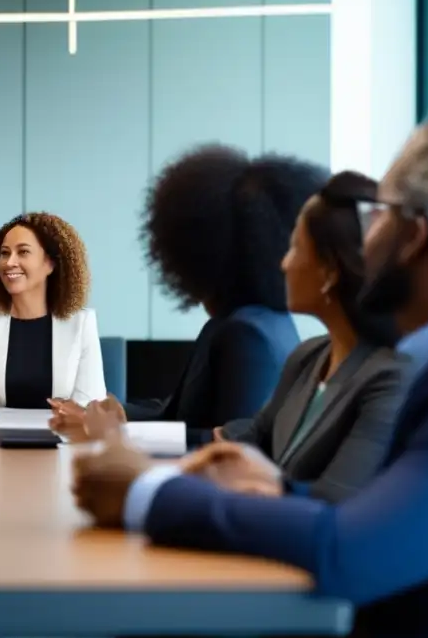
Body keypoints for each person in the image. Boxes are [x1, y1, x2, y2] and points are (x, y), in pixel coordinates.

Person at [72, 118, 428, 638]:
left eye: (379, 214)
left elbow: (348, 550)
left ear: (414, 236)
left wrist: (146, 492)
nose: (365, 236)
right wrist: (278, 488)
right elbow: (400, 523)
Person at [4, 171, 406, 638]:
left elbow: (337, 506)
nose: (282, 262)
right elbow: (246, 435)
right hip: (262, 563)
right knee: (182, 569)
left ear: (331, 270)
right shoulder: (307, 357)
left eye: (295, 249)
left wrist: (176, 479)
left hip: (309, 588)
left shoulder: (389, 376)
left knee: (198, 600)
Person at [50, 146, 326, 446]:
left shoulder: (247, 334)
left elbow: (230, 447)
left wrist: (110, 430)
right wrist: (107, 414)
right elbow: (177, 415)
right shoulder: (242, 322)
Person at [0, 212, 106, 414]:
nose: (9, 263)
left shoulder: (81, 323)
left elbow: (91, 404)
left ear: (50, 263)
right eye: (5, 253)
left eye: (23, 252)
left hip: (63, 438)